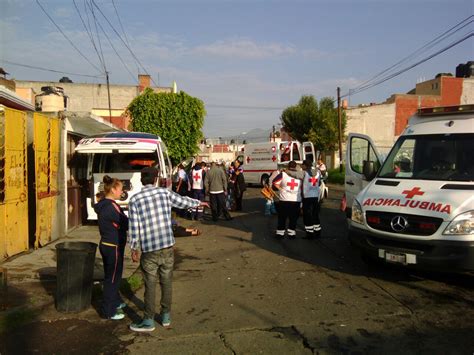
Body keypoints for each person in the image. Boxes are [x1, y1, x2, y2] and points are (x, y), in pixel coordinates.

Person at [128, 167, 209, 332]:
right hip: (167, 247)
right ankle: (165, 316)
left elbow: (134, 227)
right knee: (166, 281)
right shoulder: (164, 193)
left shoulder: (135, 199)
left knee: (150, 284)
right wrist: (199, 202)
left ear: (141, 180)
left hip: (149, 249)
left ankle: (148, 320)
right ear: (156, 178)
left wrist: (134, 248)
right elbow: (183, 201)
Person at [94, 175, 129, 320]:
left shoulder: (105, 203)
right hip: (112, 246)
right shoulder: (111, 206)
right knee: (112, 279)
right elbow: (126, 222)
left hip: (109, 245)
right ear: (113, 189)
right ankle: (108, 311)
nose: (122, 192)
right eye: (120, 189)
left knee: (114, 275)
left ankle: (115, 301)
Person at [272, 161, 302, 238]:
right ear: (295, 167)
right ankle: (292, 234)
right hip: (296, 200)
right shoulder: (300, 175)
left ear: (288, 166)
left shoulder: (283, 174)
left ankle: (280, 233)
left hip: (284, 200)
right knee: (293, 218)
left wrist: (281, 189)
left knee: (282, 217)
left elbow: (274, 183)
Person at [301, 159, 322, 239]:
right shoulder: (318, 172)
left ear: (305, 165)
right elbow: (319, 182)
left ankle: (310, 234)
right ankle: (318, 232)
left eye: (302, 165)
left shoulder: (304, 173)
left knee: (307, 216)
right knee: (315, 215)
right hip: (316, 196)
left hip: (307, 197)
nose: (302, 166)